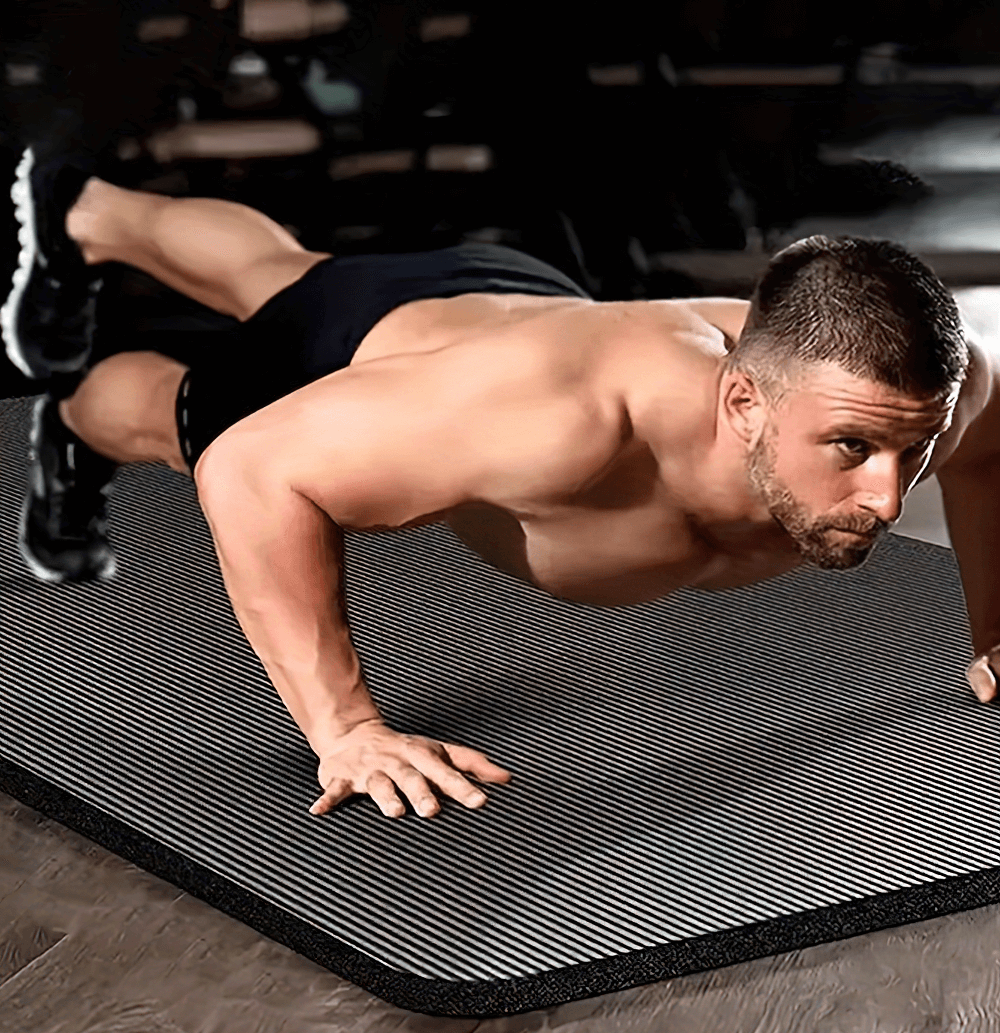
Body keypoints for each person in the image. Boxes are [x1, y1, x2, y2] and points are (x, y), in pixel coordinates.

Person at [5, 148, 1000, 822]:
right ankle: (72, 412)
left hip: (511, 311)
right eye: (849, 449)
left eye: (907, 452)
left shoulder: (938, 394)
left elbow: (988, 455)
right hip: (370, 354)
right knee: (187, 417)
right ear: (740, 401)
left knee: (289, 267)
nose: (885, 495)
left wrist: (994, 634)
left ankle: (93, 211)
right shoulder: (561, 425)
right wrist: (346, 730)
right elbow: (254, 471)